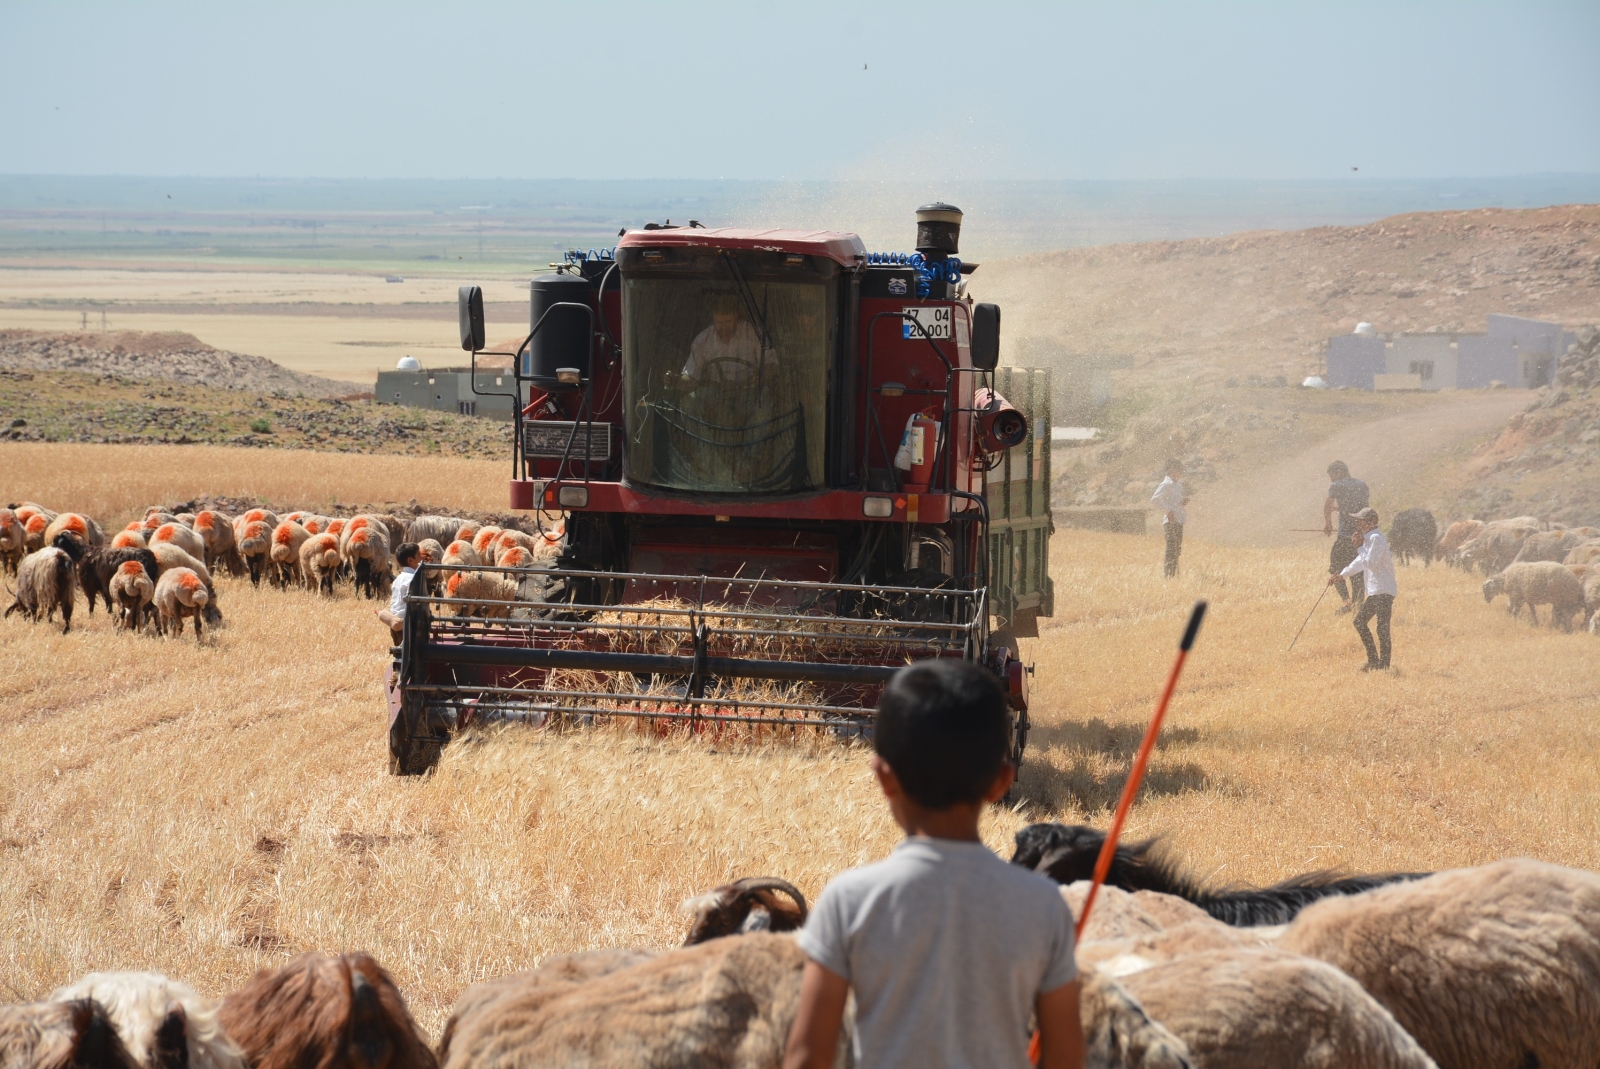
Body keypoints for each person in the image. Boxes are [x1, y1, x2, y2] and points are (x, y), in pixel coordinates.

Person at [783, 659, 1085, 1069]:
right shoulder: (1044, 906)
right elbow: (1066, 1059)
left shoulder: (848, 901)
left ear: (883, 777)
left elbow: (806, 1058)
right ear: (1001, 781)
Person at [1326, 507, 1396, 671]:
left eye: (1361, 521)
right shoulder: (1369, 538)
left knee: (1381, 628)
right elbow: (1360, 562)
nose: (1358, 523)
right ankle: (1375, 662)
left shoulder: (1376, 539)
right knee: (1361, 622)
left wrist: (1359, 546)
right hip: (1377, 591)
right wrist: (1342, 575)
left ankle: (1382, 665)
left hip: (1383, 590)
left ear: (1371, 522)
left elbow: (1370, 562)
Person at [680, 296, 775, 385]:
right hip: (714, 394)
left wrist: (761, 377)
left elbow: (770, 363)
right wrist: (678, 381)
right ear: (713, 318)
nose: (724, 327)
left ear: (736, 316)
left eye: (728, 321)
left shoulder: (753, 334)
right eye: (720, 322)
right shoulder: (702, 340)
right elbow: (691, 375)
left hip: (750, 391)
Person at [1323, 461, 1370, 614]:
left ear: (1338, 472)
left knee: (1336, 569)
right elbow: (1363, 508)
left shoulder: (1337, 485)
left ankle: (1346, 602)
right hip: (1361, 537)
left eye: (1332, 475)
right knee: (1358, 572)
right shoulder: (1362, 484)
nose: (1331, 479)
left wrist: (1328, 524)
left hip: (1344, 537)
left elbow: (1327, 505)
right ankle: (1358, 606)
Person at [375, 541, 421, 643]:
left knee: (400, 654)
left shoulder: (398, 579)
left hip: (395, 623)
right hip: (408, 626)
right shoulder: (413, 579)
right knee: (411, 656)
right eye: (419, 555)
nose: (421, 558)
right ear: (410, 560)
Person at [1151, 458, 1188, 578]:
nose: (1181, 473)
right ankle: (1168, 576)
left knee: (1177, 549)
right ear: (1171, 471)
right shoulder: (1165, 484)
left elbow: (1175, 501)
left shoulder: (1179, 486)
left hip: (1179, 519)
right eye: (1179, 471)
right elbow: (1155, 499)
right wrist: (1168, 511)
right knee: (1171, 549)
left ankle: (1173, 575)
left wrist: (1182, 502)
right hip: (1170, 521)